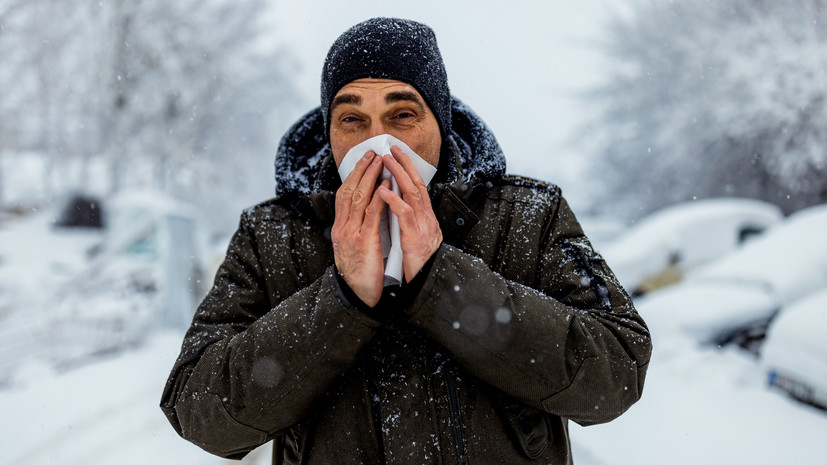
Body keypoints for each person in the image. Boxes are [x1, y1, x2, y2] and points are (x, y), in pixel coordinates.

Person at [161, 17, 651, 465]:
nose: (379, 144)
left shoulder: (528, 215)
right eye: (352, 120)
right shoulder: (273, 235)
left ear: (439, 121)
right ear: (330, 129)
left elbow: (617, 371)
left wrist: (445, 283)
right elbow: (199, 410)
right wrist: (340, 302)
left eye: (402, 116)